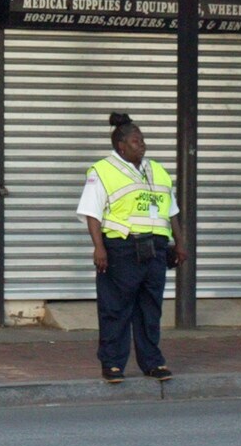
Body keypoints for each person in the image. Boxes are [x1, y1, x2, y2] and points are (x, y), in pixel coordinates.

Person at [78, 112, 186, 383]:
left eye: (143, 140)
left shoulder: (157, 170)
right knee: (115, 309)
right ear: (120, 146)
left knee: (151, 308)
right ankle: (113, 364)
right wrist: (98, 248)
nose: (142, 144)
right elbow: (92, 213)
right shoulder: (102, 171)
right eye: (136, 141)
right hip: (120, 249)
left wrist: (180, 243)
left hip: (156, 250)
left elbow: (171, 211)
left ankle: (153, 363)